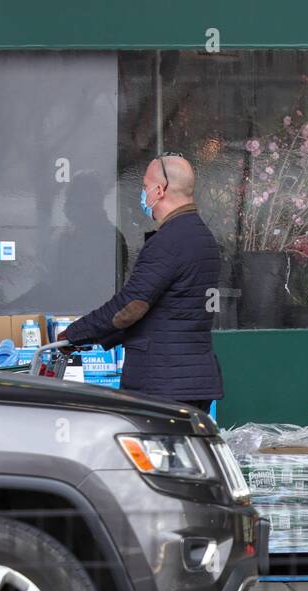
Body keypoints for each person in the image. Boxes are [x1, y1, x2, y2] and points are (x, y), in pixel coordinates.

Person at [59, 154, 223, 411]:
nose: (143, 193)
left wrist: (73, 334)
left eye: (145, 186)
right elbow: (164, 309)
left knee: (154, 451)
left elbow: (131, 307)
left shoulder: (169, 241)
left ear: (160, 190)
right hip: (192, 380)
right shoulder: (202, 237)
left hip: (163, 383)